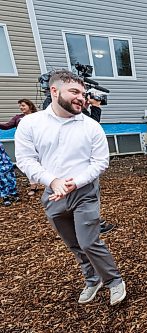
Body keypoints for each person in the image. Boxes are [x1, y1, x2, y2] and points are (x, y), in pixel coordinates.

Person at [14, 69, 126, 305]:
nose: (81, 98)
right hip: (52, 194)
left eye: (83, 93)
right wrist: (52, 182)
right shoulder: (30, 124)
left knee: (88, 241)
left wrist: (75, 182)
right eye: (74, 91)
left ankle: (114, 281)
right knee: (74, 244)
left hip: (84, 192)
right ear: (54, 91)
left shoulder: (91, 126)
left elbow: (100, 162)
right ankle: (91, 279)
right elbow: (25, 159)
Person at [81, 96, 115, 235]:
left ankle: (88, 223)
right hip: (83, 165)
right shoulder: (76, 116)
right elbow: (92, 126)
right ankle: (93, 225)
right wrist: (96, 107)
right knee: (88, 194)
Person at [0, 99, 39, 196]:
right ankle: (33, 186)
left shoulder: (38, 116)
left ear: (29, 106)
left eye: (23, 105)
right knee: (30, 162)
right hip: (25, 144)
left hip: (38, 142)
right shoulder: (18, 118)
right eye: (20, 106)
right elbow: (7, 126)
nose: (21, 108)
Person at [0, 141, 19, 206]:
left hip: (4, 160)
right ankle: (5, 196)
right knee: (2, 178)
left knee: (10, 175)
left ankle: (13, 192)